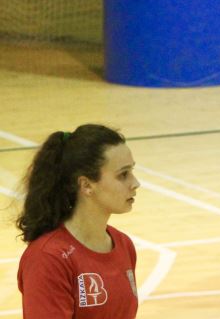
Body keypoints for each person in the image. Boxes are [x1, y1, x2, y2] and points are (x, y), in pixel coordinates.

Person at [16, 124, 140, 318]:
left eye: (131, 171)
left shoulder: (123, 245)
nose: (135, 183)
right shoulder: (48, 258)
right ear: (86, 185)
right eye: (123, 174)